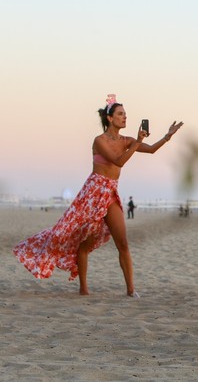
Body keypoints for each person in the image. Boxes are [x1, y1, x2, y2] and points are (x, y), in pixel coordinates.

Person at [13, 94, 183, 296]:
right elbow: (118, 161)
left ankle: (130, 290)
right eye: (121, 114)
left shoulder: (127, 140)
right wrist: (137, 141)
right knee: (83, 242)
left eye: (125, 114)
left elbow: (152, 149)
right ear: (110, 118)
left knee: (123, 242)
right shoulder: (100, 140)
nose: (125, 118)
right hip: (93, 193)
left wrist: (167, 136)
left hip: (110, 192)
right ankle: (83, 288)